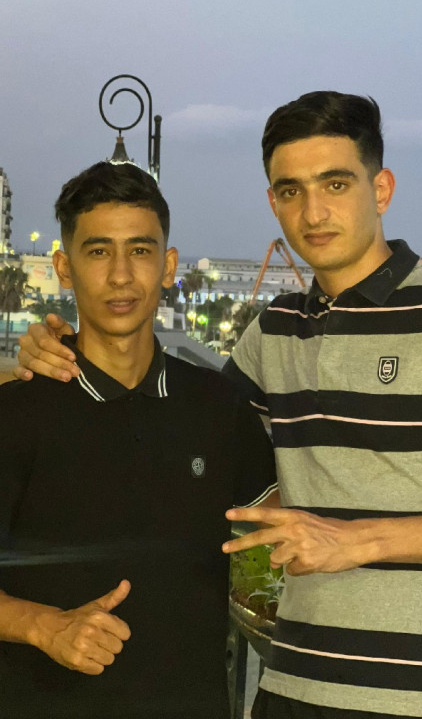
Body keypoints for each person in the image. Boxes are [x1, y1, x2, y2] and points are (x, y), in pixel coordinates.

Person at [14, 92, 422, 719]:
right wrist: (41, 351)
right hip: (293, 686)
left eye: (335, 183)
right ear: (273, 202)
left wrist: (355, 540)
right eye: (291, 190)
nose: (313, 211)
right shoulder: (273, 333)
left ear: (380, 189)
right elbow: (169, 420)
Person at [0, 161, 277, 719]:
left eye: (141, 250)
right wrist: (45, 626)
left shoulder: (221, 408)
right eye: (99, 251)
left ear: (168, 265)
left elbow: (276, 544)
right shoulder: (16, 414)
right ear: (64, 268)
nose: (121, 275)